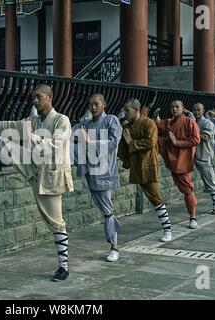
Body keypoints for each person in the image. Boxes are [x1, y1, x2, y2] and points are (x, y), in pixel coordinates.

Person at [0, 84, 73, 281]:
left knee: (56, 223)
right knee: (4, 143)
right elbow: (9, 126)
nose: (35, 101)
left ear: (49, 98)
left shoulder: (62, 120)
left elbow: (54, 146)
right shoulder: (34, 120)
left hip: (50, 178)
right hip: (32, 165)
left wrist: (30, 135)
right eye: (33, 97)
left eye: (39, 97)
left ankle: (64, 267)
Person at [72, 93, 123, 262]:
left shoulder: (111, 120)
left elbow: (113, 142)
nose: (93, 108)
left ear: (104, 104)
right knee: (104, 208)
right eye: (90, 105)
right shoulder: (86, 122)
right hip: (89, 169)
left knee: (107, 209)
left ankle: (114, 246)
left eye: (96, 104)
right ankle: (113, 242)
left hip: (104, 170)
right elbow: (73, 135)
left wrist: (92, 143)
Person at [117, 98, 173, 242]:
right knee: (151, 197)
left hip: (148, 165)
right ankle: (167, 228)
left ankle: (168, 229)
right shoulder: (128, 126)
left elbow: (150, 142)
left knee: (155, 197)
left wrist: (131, 142)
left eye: (127, 111)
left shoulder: (149, 123)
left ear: (137, 110)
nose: (125, 113)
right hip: (136, 165)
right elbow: (122, 147)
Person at [154, 100, 201, 229]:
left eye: (177, 107)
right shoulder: (169, 123)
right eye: (172, 107)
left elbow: (196, 140)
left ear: (183, 108)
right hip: (172, 159)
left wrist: (177, 142)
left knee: (187, 190)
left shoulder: (189, 122)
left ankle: (193, 217)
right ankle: (192, 211)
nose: (174, 109)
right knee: (186, 190)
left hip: (183, 161)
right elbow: (156, 125)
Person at [192, 103, 215, 215]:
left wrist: (191, 133)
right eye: (194, 110)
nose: (196, 112)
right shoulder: (192, 122)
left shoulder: (207, 123)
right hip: (192, 157)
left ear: (203, 111)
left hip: (204, 156)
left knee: (210, 182)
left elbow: (205, 137)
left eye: (198, 110)